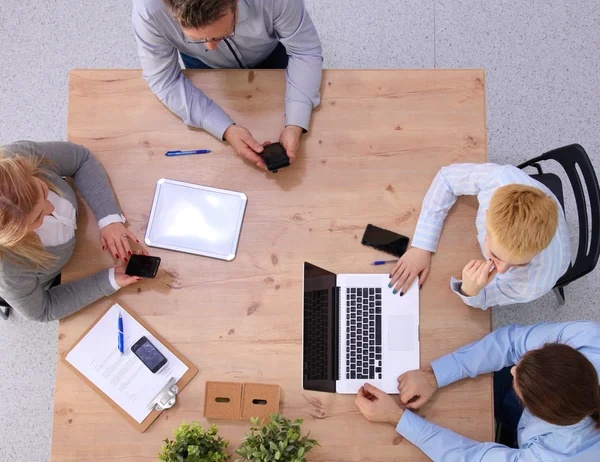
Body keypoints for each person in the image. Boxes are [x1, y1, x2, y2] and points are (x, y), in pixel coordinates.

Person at [355, 321, 600, 461]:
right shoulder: (587, 338)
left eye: (519, 384)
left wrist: (397, 418)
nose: (513, 369)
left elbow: (472, 458)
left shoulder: (559, 456)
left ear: (536, 412)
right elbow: (511, 343)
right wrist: (435, 376)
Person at [132, 0, 323, 169]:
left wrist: (296, 123)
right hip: (204, 67)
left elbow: (304, 52)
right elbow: (164, 80)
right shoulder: (148, 9)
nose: (210, 47)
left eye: (221, 34)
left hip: (272, 53)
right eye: (198, 39)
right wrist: (225, 129)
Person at [389, 163, 571, 309]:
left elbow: (485, 299)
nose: (501, 271)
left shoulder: (532, 285)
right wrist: (422, 246)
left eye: (519, 263)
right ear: (486, 215)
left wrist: (470, 290)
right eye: (496, 256)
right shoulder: (500, 178)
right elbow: (446, 179)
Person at [0, 141, 143, 321]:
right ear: (15, 237)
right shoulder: (8, 271)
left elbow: (81, 159)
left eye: (43, 190)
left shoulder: (20, 154)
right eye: (38, 218)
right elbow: (43, 310)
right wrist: (108, 280)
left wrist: (109, 219)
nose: (51, 207)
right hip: (51, 280)